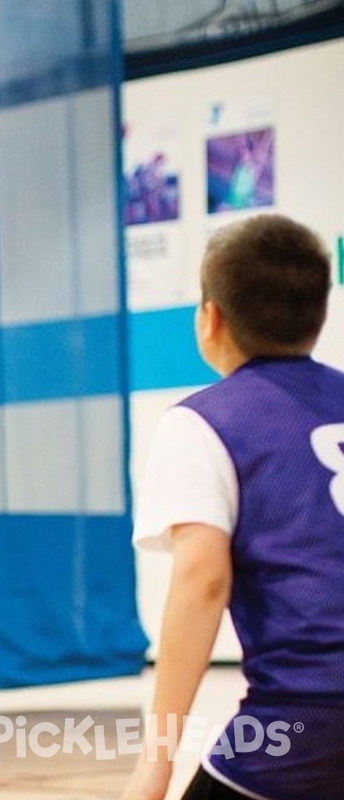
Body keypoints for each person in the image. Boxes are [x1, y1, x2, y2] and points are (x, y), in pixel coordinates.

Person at [122, 213, 344, 800]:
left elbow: (202, 580)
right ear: (318, 316)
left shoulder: (204, 421)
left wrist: (157, 763)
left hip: (307, 712)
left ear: (210, 317)